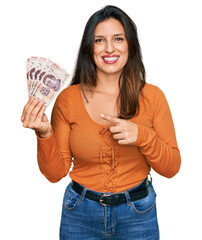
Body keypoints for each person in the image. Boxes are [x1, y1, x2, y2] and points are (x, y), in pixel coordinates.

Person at [21, 5, 181, 240]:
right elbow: (55, 174)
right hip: (79, 214)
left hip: (138, 214)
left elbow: (172, 168)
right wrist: (44, 134)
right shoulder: (68, 99)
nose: (109, 48)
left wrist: (142, 136)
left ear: (130, 45)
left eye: (118, 38)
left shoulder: (153, 96)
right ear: (89, 47)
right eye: (99, 40)